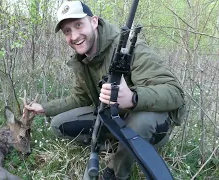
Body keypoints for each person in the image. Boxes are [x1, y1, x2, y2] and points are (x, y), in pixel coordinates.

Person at [25, 1, 186, 180]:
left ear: (94, 22)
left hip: (151, 125)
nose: (74, 36)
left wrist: (133, 98)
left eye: (79, 25)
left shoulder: (130, 48)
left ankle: (116, 173)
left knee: (139, 123)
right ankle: (118, 145)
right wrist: (45, 108)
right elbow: (80, 98)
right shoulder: (82, 60)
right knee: (58, 124)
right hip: (112, 116)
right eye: (67, 31)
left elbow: (175, 93)